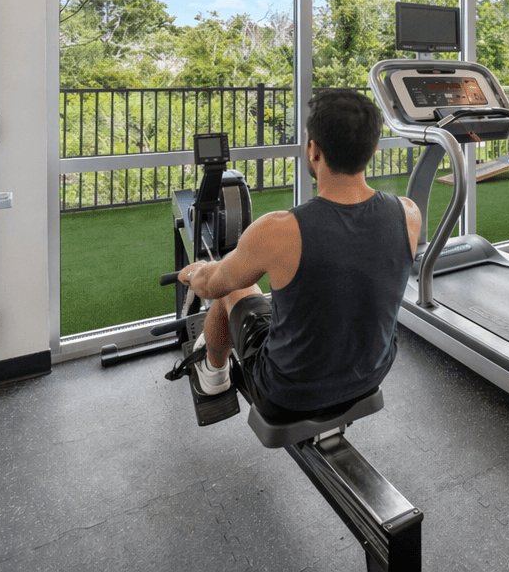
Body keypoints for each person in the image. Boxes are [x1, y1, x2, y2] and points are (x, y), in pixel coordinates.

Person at [177, 89, 421, 418]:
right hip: (372, 375)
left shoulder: (278, 230)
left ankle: (213, 376)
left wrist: (193, 273)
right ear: (374, 149)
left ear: (313, 150)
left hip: (286, 395)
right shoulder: (408, 214)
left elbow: (210, 286)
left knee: (231, 286)